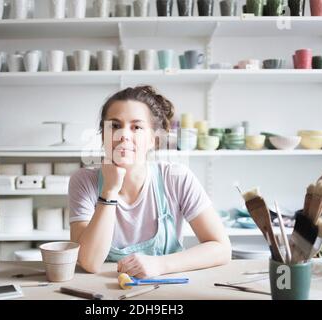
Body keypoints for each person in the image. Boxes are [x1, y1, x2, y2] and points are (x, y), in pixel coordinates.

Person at [68, 85, 231, 278]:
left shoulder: (176, 178)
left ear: (153, 139)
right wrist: (109, 192)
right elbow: (89, 262)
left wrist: (160, 265)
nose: (124, 135)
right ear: (103, 135)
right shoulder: (84, 181)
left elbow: (221, 248)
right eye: (115, 125)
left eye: (136, 127)